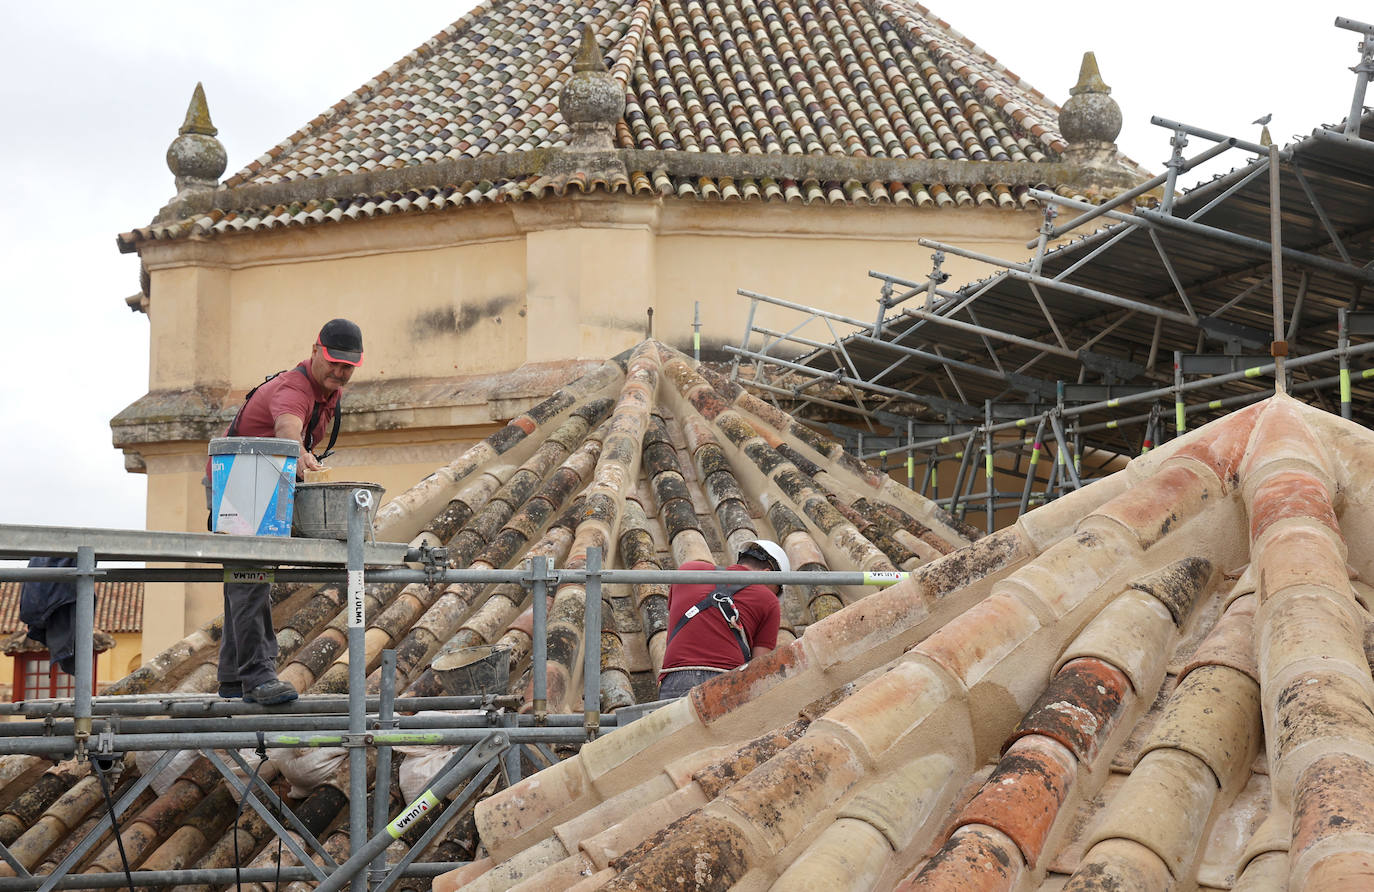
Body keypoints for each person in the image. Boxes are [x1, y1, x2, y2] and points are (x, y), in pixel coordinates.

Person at [215, 318, 364, 705]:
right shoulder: (294, 389)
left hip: (264, 485)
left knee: (244, 579)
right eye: (334, 362)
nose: (340, 372)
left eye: (348, 367)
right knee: (251, 577)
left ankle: (232, 677)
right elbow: (287, 430)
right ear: (315, 351)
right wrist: (300, 452)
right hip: (240, 484)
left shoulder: (328, 394)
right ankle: (259, 676)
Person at [657, 540, 789, 699]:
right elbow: (758, 669)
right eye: (775, 590)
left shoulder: (687, 571)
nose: (772, 595)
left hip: (674, 677)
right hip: (726, 681)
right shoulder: (769, 600)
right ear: (767, 574)